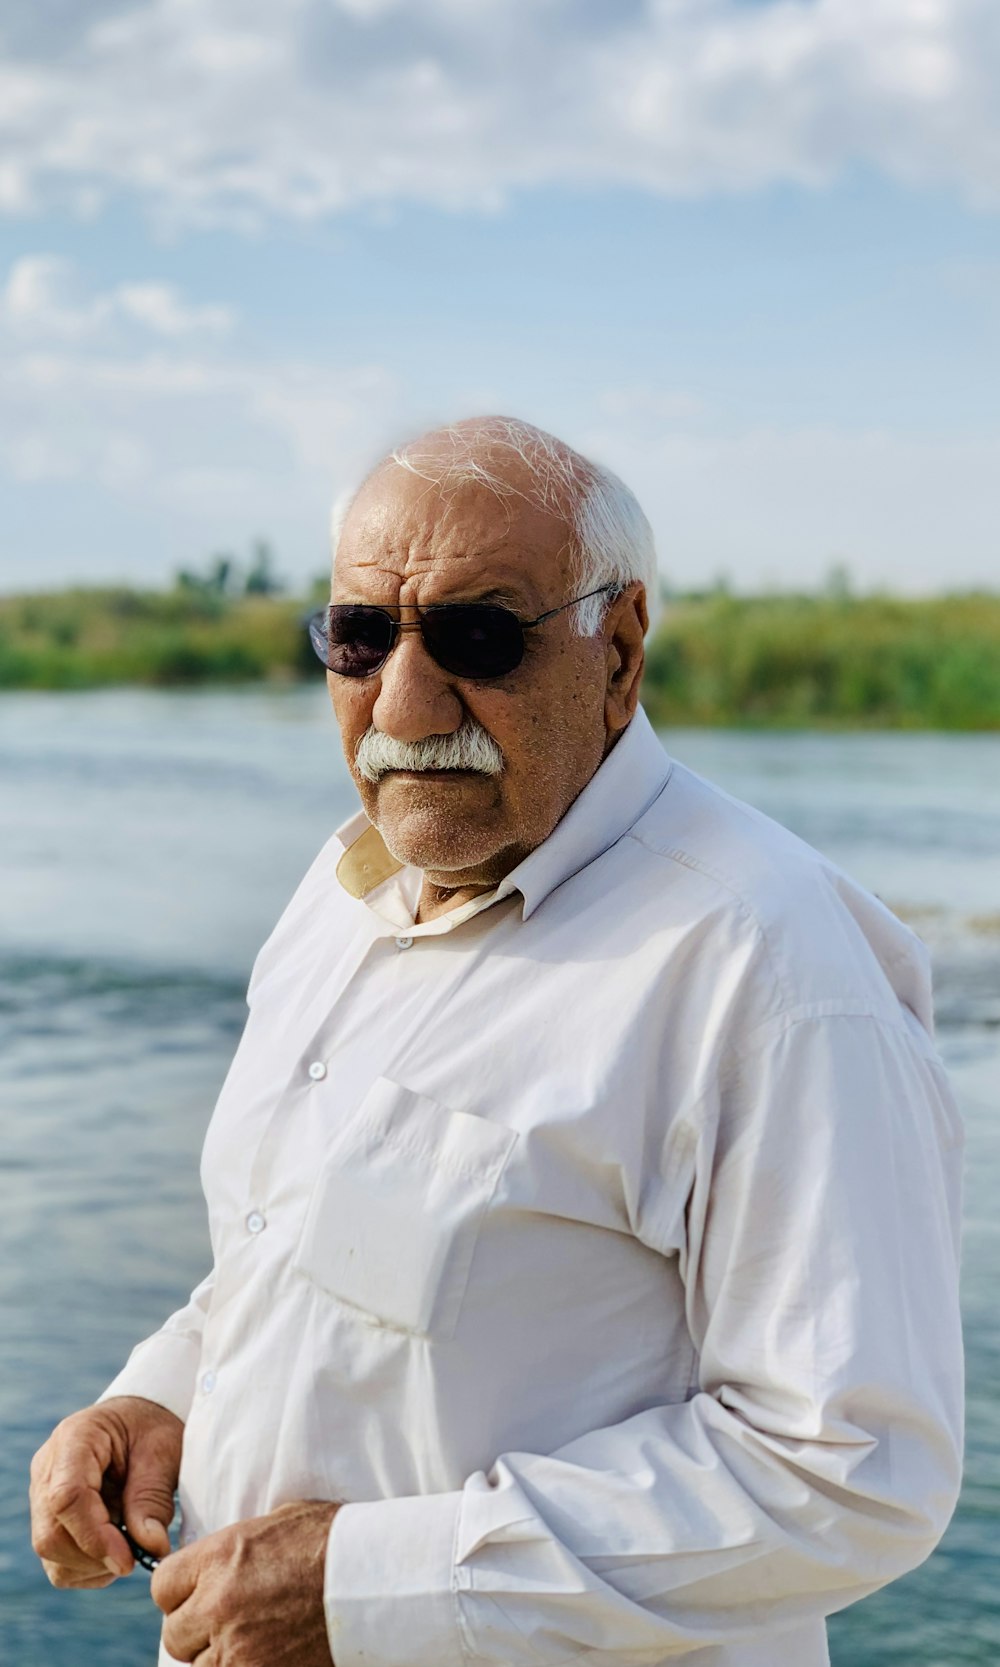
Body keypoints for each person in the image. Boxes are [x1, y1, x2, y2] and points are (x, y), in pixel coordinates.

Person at [30, 417, 964, 1667]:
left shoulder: (770, 962)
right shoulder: (341, 888)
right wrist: (163, 1396)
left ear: (619, 647)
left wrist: (362, 1584)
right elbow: (293, 1250)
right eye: (360, 636)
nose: (405, 703)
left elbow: (854, 1473)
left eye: (478, 637)